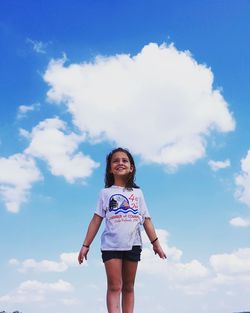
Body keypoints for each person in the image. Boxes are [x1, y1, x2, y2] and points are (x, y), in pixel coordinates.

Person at [78, 147, 167, 313]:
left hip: (133, 244)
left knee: (128, 287)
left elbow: (146, 219)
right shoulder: (105, 193)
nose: (120, 163)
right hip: (110, 245)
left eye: (124, 160)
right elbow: (96, 220)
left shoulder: (138, 194)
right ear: (110, 168)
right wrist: (85, 245)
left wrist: (156, 243)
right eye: (115, 161)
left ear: (131, 167)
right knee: (114, 286)